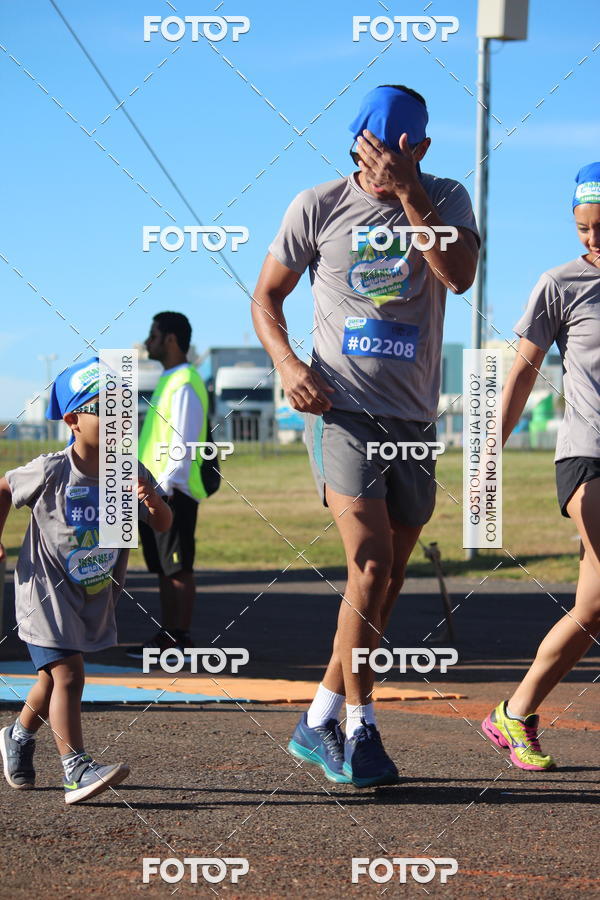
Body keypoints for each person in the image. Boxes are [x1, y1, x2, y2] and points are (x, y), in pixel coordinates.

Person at [253, 85, 479, 786]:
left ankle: (316, 717)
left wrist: (412, 195)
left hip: (413, 420)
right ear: (355, 145)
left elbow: (460, 276)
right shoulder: (316, 206)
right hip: (341, 413)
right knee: (372, 564)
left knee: (380, 587)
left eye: (399, 154)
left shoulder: (446, 198)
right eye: (372, 153)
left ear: (420, 150)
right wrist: (288, 363)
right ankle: (362, 733)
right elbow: (265, 297)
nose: (382, 166)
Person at [0, 358, 172, 803]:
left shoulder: (126, 470)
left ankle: (17, 736)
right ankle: (75, 768)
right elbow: (3, 489)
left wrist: (150, 500)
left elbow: (163, 522)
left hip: (90, 594)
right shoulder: (53, 469)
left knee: (50, 680)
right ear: (73, 419)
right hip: (43, 592)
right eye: (105, 409)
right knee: (69, 675)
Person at [482, 162, 600, 770]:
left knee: (593, 605)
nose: (594, 239)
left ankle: (515, 712)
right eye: (584, 227)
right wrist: (490, 449)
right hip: (586, 455)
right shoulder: (562, 284)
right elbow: (524, 368)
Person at [127, 312, 210, 659]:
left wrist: (167, 487)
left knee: (177, 567)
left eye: (154, 334)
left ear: (171, 340)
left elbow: (184, 438)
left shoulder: (185, 381)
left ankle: (181, 639)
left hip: (171, 492)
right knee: (163, 566)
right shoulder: (169, 379)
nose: (148, 341)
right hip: (156, 491)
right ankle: (168, 636)